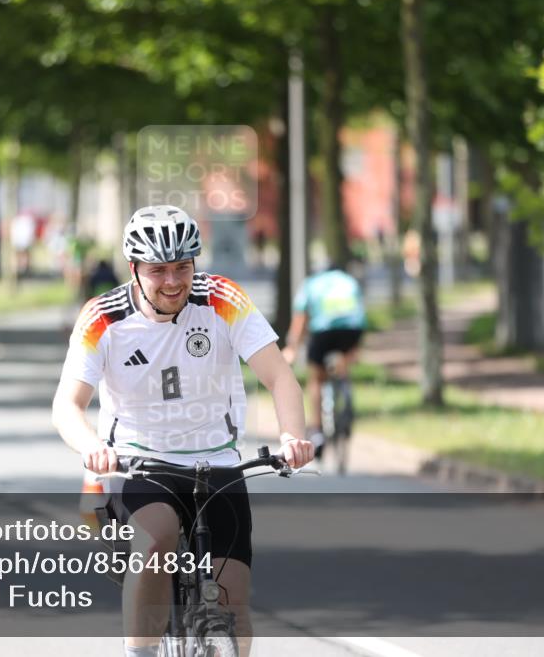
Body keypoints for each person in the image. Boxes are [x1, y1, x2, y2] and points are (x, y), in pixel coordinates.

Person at [52, 205, 312, 657]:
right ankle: (142, 651)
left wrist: (292, 435)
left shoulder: (222, 298)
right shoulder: (103, 318)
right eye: (158, 271)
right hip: (139, 462)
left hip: (219, 460)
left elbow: (279, 376)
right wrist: (93, 447)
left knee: (234, 605)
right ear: (134, 270)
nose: (172, 281)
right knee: (157, 538)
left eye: (182, 267)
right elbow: (67, 405)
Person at [281, 261, 367, 458]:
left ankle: (317, 429)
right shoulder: (350, 281)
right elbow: (361, 313)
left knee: (317, 378)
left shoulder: (313, 283)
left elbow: (300, 318)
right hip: (353, 330)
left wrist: (293, 348)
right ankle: (345, 392)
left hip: (324, 332)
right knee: (344, 362)